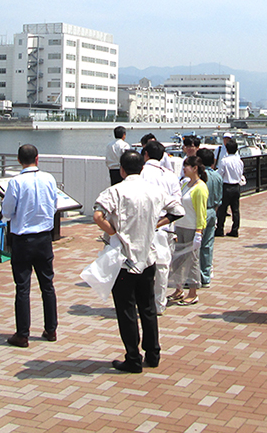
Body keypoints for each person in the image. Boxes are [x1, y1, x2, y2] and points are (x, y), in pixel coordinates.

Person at [93, 150, 184, 373]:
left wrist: (114, 232)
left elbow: (98, 216)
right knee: (148, 307)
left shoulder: (115, 191)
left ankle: (133, 357)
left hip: (124, 260)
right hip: (148, 257)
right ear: (141, 168)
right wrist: (156, 223)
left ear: (122, 170)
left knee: (126, 310)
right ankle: (153, 353)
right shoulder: (155, 191)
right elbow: (178, 210)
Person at [2, 144, 59, 348]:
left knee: (23, 287)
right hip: (44, 237)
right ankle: (51, 329)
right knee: (47, 284)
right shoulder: (49, 178)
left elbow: (7, 211)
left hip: (23, 239)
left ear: (19, 160)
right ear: (37, 158)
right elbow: (54, 204)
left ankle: (23, 333)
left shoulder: (15, 182)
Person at [140, 140, 182, 315]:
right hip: (165, 225)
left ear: (146, 154)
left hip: (143, 226)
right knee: (163, 265)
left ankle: (143, 302)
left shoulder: (141, 173)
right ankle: (159, 303)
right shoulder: (171, 175)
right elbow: (177, 204)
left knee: (141, 265)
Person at [168, 156, 208, 306]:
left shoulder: (200, 187)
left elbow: (201, 212)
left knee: (192, 260)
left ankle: (193, 292)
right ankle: (178, 289)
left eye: (187, 166)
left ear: (195, 168)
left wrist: (199, 231)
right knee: (177, 259)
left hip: (192, 227)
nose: (184, 169)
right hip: (180, 226)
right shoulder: (185, 184)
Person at [196, 148, 222, 288]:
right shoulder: (217, 176)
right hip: (212, 211)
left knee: (194, 246)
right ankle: (205, 276)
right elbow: (219, 199)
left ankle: (194, 277)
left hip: (200, 213)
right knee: (207, 245)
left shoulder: (198, 177)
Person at [215, 138, 243, 238]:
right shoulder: (239, 161)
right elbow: (240, 173)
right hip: (236, 186)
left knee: (222, 209)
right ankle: (235, 229)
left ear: (226, 149)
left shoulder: (224, 161)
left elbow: (220, 174)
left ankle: (220, 229)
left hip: (226, 186)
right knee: (235, 210)